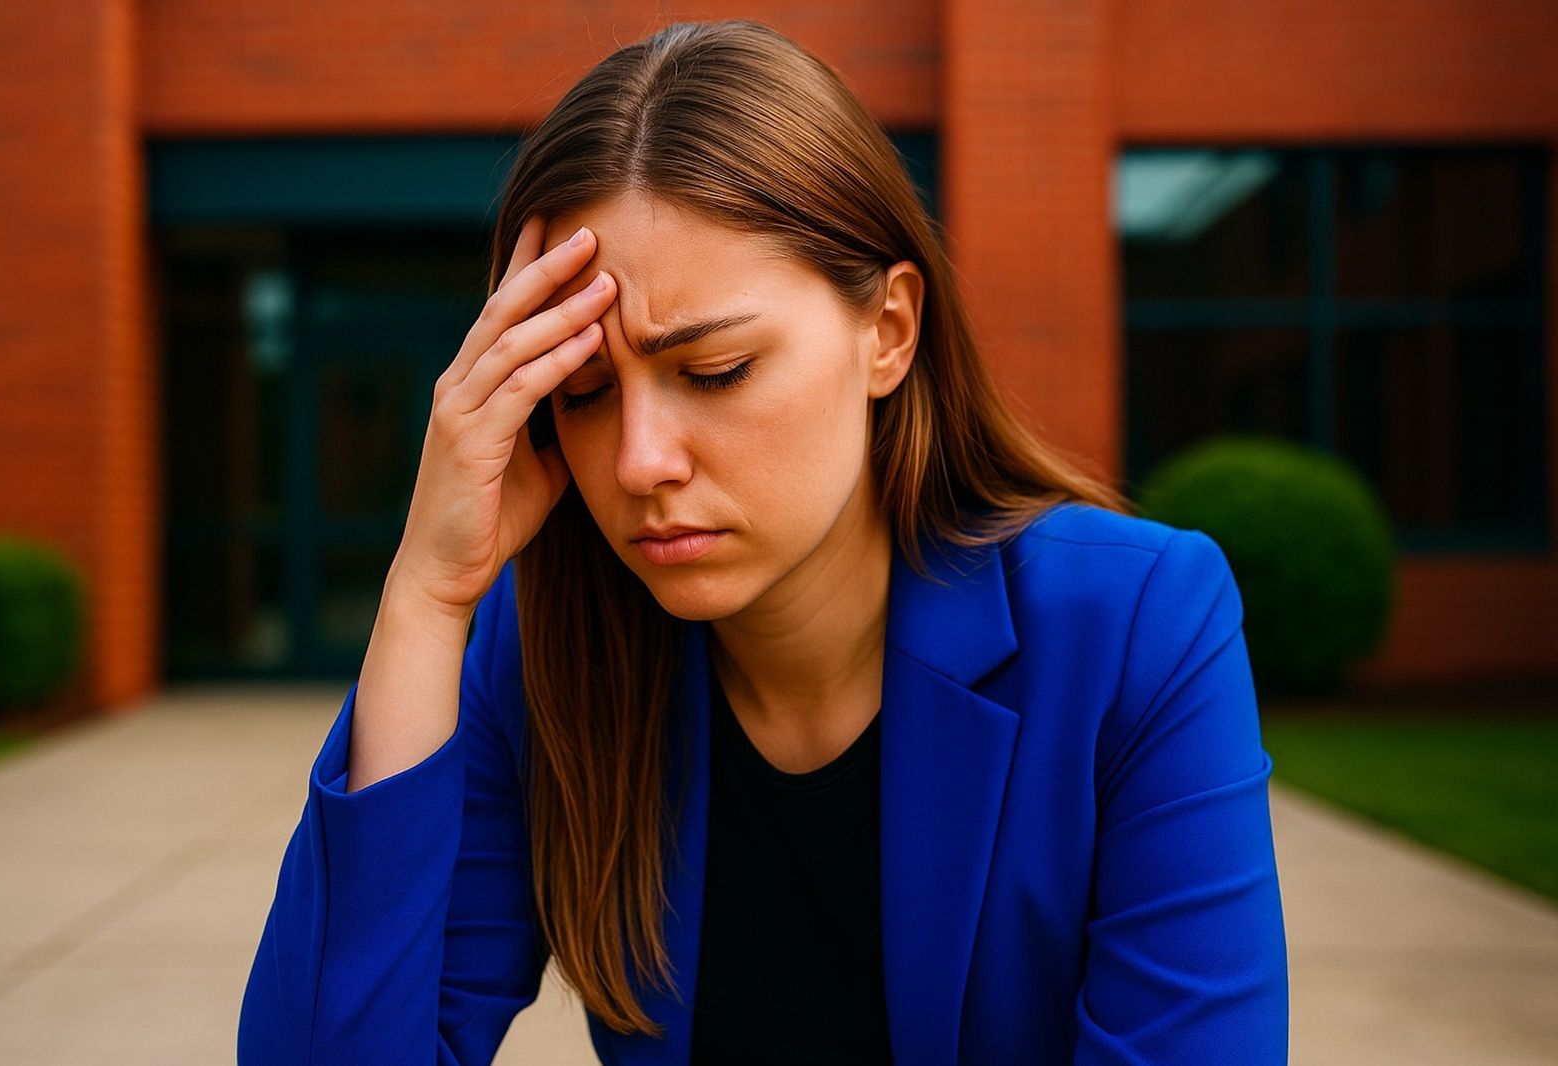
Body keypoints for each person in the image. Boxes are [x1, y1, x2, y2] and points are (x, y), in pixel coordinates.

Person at [237, 17, 1289, 1066]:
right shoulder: (544, 647)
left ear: (888, 331)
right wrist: (425, 599)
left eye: (715, 372)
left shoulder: (1133, 629)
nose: (639, 460)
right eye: (586, 392)